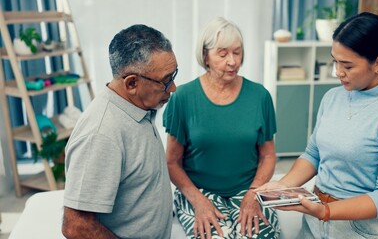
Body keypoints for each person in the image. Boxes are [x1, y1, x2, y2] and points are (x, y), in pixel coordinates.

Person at [256, 12, 378, 238]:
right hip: (314, 224)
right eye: (335, 61)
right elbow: (314, 154)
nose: (338, 72)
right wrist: (284, 186)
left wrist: (326, 211)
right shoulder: (333, 98)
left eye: (347, 65)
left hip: (361, 230)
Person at [163, 17, 280, 239]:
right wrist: (198, 202)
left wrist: (253, 195)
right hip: (199, 191)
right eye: (223, 53)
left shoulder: (260, 96)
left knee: (258, 235)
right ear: (205, 56)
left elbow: (268, 156)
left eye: (237, 52)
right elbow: (172, 161)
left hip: (250, 189)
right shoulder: (182, 97)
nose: (233, 61)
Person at [62, 24, 178, 238]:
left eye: (174, 75)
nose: (173, 87)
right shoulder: (101, 134)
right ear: (132, 83)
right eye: (166, 80)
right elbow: (76, 225)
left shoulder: (138, 105)